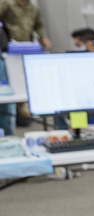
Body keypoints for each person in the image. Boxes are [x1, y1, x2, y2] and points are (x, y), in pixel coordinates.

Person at [0, 0, 50, 128]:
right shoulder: (7, 4)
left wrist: (43, 37)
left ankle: (21, 112)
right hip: (8, 50)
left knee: (25, 83)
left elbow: (39, 25)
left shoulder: (32, 8)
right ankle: (12, 116)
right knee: (10, 84)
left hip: (26, 48)